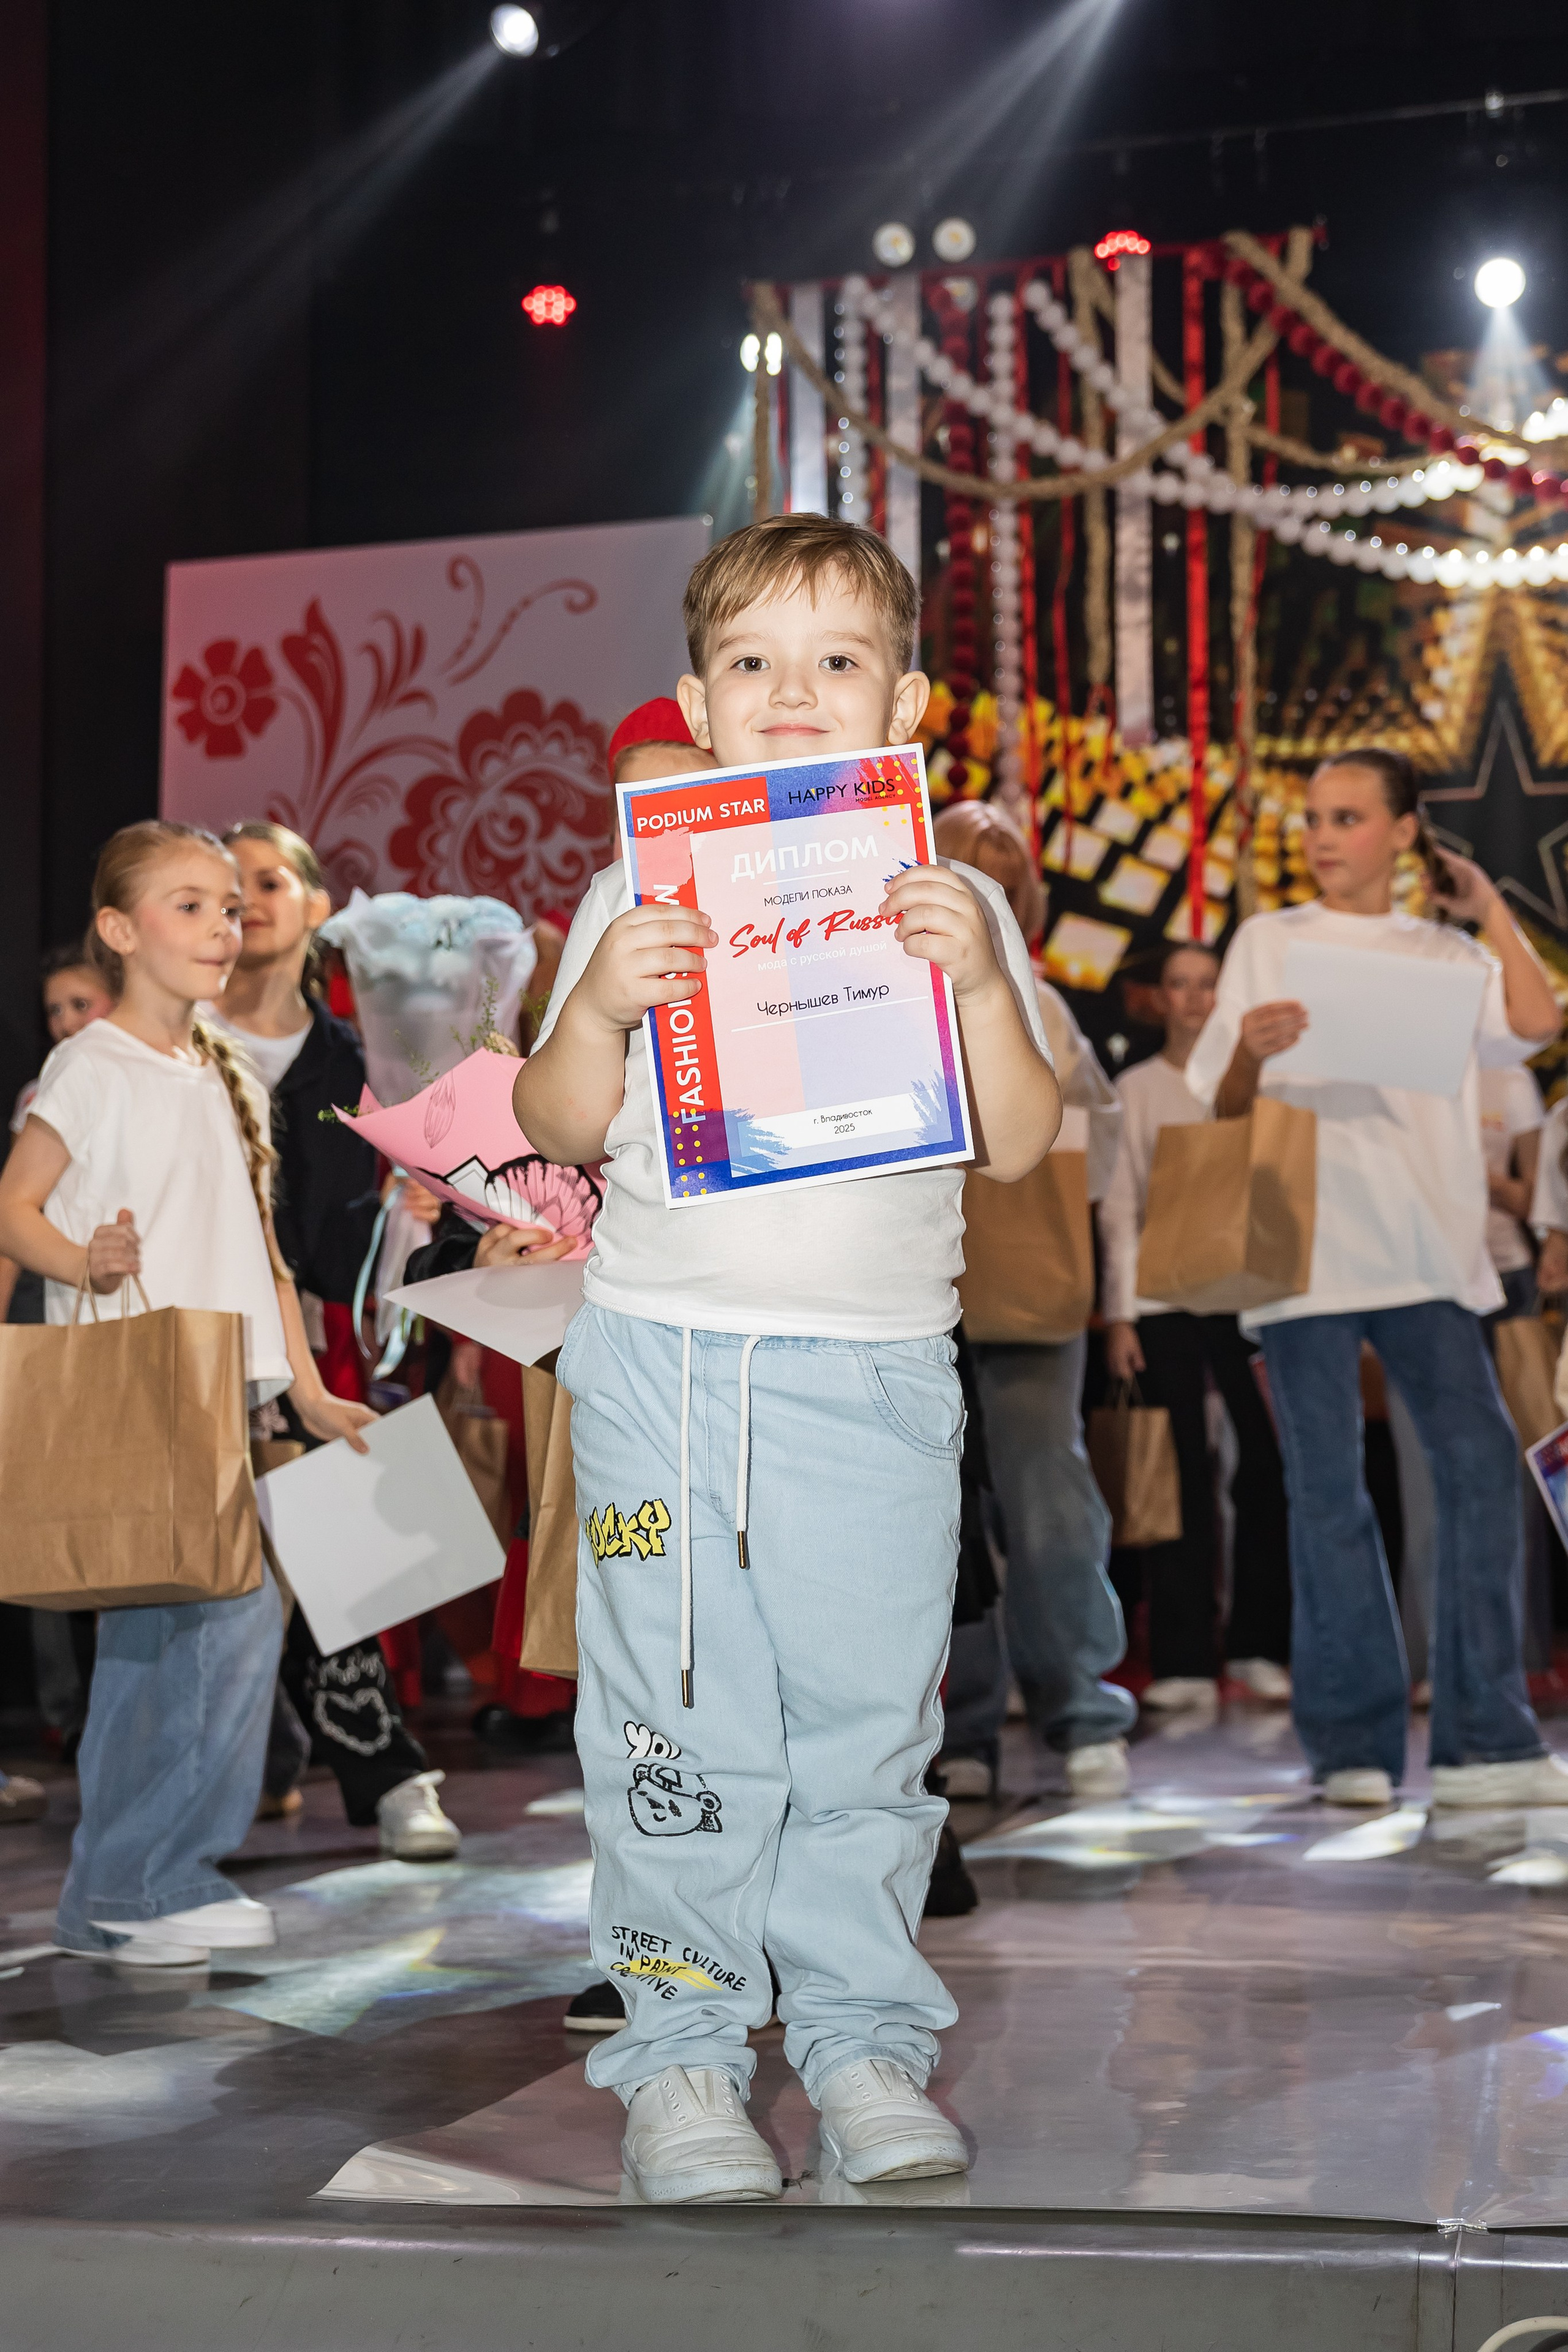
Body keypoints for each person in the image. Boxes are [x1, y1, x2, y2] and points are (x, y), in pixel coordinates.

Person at [514, 513, 1060, 2201]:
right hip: (664, 1370)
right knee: (671, 1733)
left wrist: (974, 988)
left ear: (904, 703)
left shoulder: (948, 895)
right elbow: (552, 1122)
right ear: (698, 701)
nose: (794, 690)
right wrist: (599, 1007)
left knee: (863, 1734)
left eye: (838, 660)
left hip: (879, 1378)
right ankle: (683, 2066)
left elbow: (1028, 1144)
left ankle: (864, 2045)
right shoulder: (637, 886)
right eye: (752, 662)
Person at [0, 820, 375, 1964]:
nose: (224, 924)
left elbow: (259, 1242)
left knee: (211, 1630)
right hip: (145, 1377)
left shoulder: (213, 1063)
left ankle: (144, 1881)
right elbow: (17, 1204)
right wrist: (83, 1263)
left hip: (225, 1382)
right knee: (193, 1632)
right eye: (190, 905)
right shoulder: (92, 1064)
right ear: (119, 931)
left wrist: (304, 1389)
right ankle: (133, 1885)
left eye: (228, 905)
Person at [1185, 749, 1562, 1809]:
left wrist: (1485, 901)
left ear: (1403, 832)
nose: (1322, 835)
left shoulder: (1445, 949)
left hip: (1428, 1251)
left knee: (1483, 1470)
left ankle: (1487, 1737)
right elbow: (1219, 1103)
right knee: (1326, 1494)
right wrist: (1253, 1052)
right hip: (1301, 1252)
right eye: (1314, 817)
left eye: (1348, 817)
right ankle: (1351, 1744)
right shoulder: (1269, 940)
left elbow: (1536, 1023)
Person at [204, 820, 461, 1860]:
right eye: (227, 887)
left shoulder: (351, 1059)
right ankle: (235, 1776)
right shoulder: (178, 1043)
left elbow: (340, 1239)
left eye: (270, 881)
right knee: (196, 1581)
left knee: (342, 1564)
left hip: (307, 1340)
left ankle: (389, 1770)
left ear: (317, 908)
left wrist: (409, 1216)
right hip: (181, 1333)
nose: (248, 900)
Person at [930, 796, 1136, 1802]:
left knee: (1050, 1505)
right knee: (942, 1522)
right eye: (973, 868)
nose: (994, 888)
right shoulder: (881, 993)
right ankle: (963, 1724)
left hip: (1030, 1290)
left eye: (1007, 875)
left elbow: (1103, 1158)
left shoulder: (1046, 1006)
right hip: (914, 1289)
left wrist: (1125, 1298)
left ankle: (1082, 1706)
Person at [1099, 943, 1293, 1711]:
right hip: (1164, 1304)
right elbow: (1119, 1208)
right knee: (1178, 1473)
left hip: (1253, 1304)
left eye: (1207, 983)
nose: (1192, 998)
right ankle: (1182, 1656)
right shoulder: (1136, 1088)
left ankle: (1257, 1644)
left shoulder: (1263, 1083)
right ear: (1159, 997)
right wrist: (1119, 1314)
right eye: (1178, 984)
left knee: (1266, 1469)